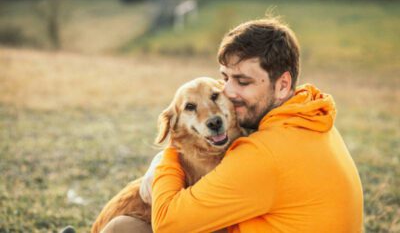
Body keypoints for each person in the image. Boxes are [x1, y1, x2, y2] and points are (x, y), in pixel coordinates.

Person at [102, 17, 364, 233]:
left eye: (243, 81)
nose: (227, 92)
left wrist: (167, 158)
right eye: (224, 78)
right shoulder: (310, 117)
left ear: (283, 85)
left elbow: (168, 224)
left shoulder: (262, 154)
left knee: (122, 229)